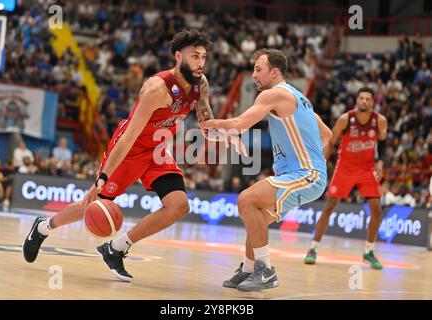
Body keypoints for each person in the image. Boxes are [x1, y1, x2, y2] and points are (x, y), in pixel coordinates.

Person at [22, 29, 245, 282]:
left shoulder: (200, 84)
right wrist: (102, 178)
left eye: (204, 56)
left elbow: (206, 125)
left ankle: (116, 248)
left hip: (158, 151)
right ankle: (43, 227)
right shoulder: (156, 88)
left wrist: (227, 134)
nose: (201, 63)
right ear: (178, 56)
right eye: (195, 56)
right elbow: (128, 137)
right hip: (131, 148)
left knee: (179, 206)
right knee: (93, 202)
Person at [203, 48, 332, 291]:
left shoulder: (274, 95)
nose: (253, 75)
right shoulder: (300, 98)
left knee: (246, 200)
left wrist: (209, 124)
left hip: (305, 175)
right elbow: (327, 135)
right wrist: (309, 159)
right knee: (257, 219)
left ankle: (265, 271)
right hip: (305, 175)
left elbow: (240, 124)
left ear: (274, 72)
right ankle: (249, 268)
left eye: (258, 69)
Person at [303, 87, 388, 269]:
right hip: (345, 168)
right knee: (329, 207)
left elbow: (384, 143)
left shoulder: (379, 120)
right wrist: (322, 162)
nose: (364, 101)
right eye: (361, 98)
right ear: (357, 100)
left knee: (376, 209)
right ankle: (313, 248)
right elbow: (331, 141)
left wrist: (381, 162)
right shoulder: (345, 119)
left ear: (372, 102)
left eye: (368, 98)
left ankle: (368, 251)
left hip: (367, 169)